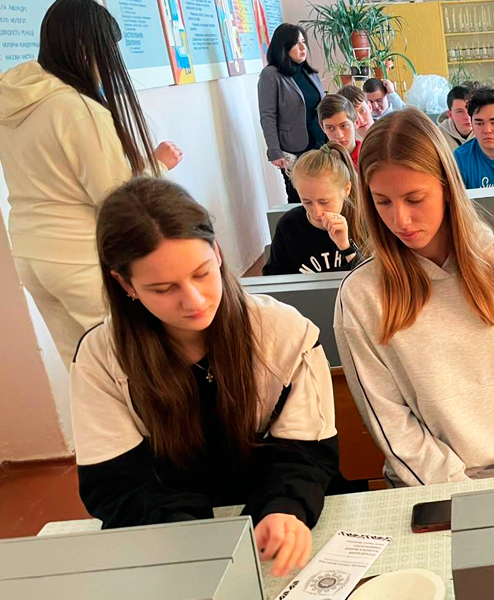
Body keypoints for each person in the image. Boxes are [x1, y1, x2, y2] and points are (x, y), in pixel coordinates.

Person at [72, 178, 338, 577]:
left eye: (201, 273)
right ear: (125, 284)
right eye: (163, 288)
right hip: (172, 540)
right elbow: (116, 485)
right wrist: (195, 543)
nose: (193, 301)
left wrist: (285, 507)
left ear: (217, 252)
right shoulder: (101, 358)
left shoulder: (285, 333)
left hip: (278, 530)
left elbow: (306, 454)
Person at [334, 109, 494, 487]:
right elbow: (390, 420)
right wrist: (460, 492)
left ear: (447, 186)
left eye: (415, 199)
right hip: (429, 484)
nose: (400, 220)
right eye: (383, 202)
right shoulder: (361, 295)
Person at [0, 0, 182, 364]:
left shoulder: (13, 102)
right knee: (125, 361)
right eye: (107, 50)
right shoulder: (78, 109)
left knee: (82, 365)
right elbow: (116, 197)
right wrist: (158, 166)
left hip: (31, 255)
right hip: (79, 257)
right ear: (86, 49)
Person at [263, 142, 364, 276]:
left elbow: (373, 280)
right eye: (307, 202)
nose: (316, 212)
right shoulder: (288, 226)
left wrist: (346, 247)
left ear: (346, 189)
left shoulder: (364, 221)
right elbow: (273, 279)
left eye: (324, 202)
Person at [258, 24, 326, 204]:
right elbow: (267, 116)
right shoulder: (271, 75)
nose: (303, 47)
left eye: (303, 41)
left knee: (323, 192)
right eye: (296, 43)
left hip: (320, 143)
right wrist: (274, 151)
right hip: (293, 148)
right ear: (283, 47)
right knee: (299, 197)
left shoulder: (310, 72)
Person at [316, 94, 361, 165]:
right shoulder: (319, 163)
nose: (339, 135)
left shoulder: (371, 156)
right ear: (322, 128)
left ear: (356, 123)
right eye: (330, 128)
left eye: (344, 126)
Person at [438, 84, 474, 149]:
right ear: (450, 114)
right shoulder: (438, 137)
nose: (467, 117)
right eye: (459, 111)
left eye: (470, 109)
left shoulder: (485, 132)